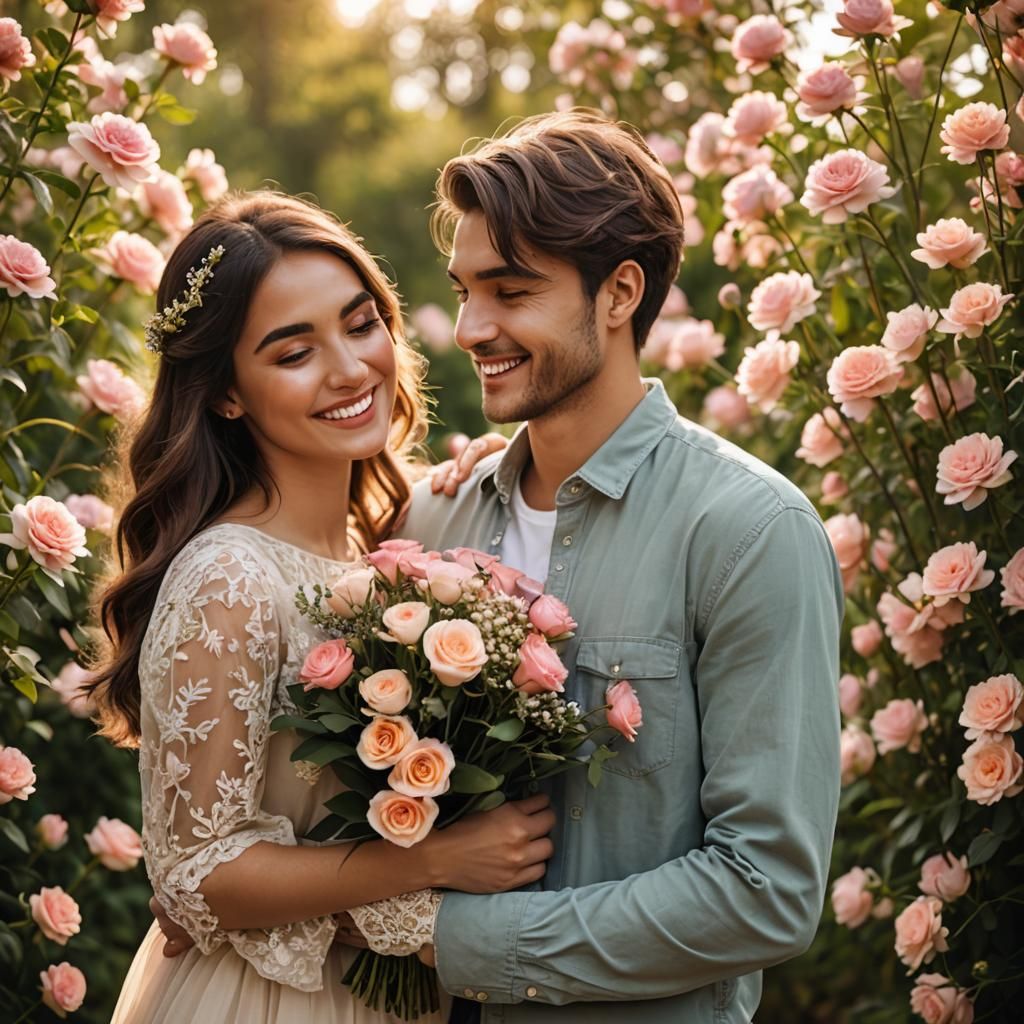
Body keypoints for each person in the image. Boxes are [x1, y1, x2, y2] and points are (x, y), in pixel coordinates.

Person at [392, 109, 845, 1022]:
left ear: (620, 291)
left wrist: (453, 942)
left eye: (511, 292)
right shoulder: (435, 513)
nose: (472, 327)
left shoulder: (750, 531)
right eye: (464, 290)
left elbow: (767, 889)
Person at [93, 191, 554, 1024]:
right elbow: (196, 876)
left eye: (360, 322)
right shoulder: (227, 578)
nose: (349, 368)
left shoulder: (378, 543)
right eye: (293, 351)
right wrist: (436, 861)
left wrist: (499, 473)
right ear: (227, 394)